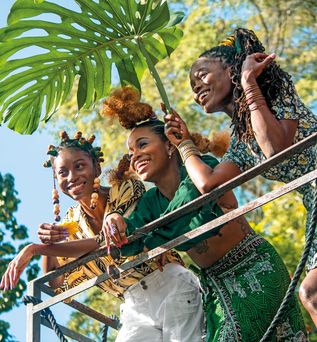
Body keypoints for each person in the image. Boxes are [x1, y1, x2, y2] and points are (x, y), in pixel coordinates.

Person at [101, 86, 307, 341]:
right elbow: (129, 243)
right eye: (131, 153)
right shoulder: (150, 203)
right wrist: (114, 220)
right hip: (214, 284)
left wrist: (149, 237)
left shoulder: (200, 170)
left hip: (254, 268)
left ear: (169, 146)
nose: (136, 156)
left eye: (142, 144)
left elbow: (186, 209)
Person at [163, 26, 317, 326]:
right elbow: (208, 183)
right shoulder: (241, 143)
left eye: (202, 76)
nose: (196, 90)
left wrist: (248, 82)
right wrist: (184, 144)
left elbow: (274, 148)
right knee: (312, 294)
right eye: (193, 87)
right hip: (313, 202)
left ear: (231, 68)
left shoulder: (276, 94)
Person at [0, 131, 204, 342]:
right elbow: (56, 280)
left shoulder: (125, 189)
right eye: (62, 172)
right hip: (133, 306)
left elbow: (114, 240)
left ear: (96, 167)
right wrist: (50, 244)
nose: (71, 177)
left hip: (169, 283)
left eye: (79, 166)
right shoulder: (71, 226)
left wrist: (34, 249)